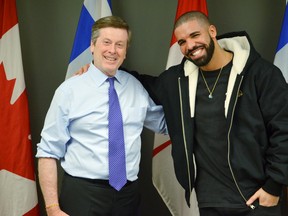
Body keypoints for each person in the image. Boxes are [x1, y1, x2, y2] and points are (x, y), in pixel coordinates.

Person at [78, 11, 288, 216]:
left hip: (257, 199)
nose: (190, 46)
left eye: (195, 35)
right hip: (209, 200)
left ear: (212, 31)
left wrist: (273, 186)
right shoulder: (177, 81)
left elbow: (284, 130)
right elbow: (141, 83)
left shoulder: (260, 74)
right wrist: (99, 69)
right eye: (182, 42)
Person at [36, 15, 167, 216]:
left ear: (125, 52)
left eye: (120, 45)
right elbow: (48, 151)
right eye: (106, 42)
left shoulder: (135, 87)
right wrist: (52, 208)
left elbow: (166, 125)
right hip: (83, 195)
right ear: (92, 46)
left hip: (128, 197)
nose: (112, 50)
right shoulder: (69, 90)